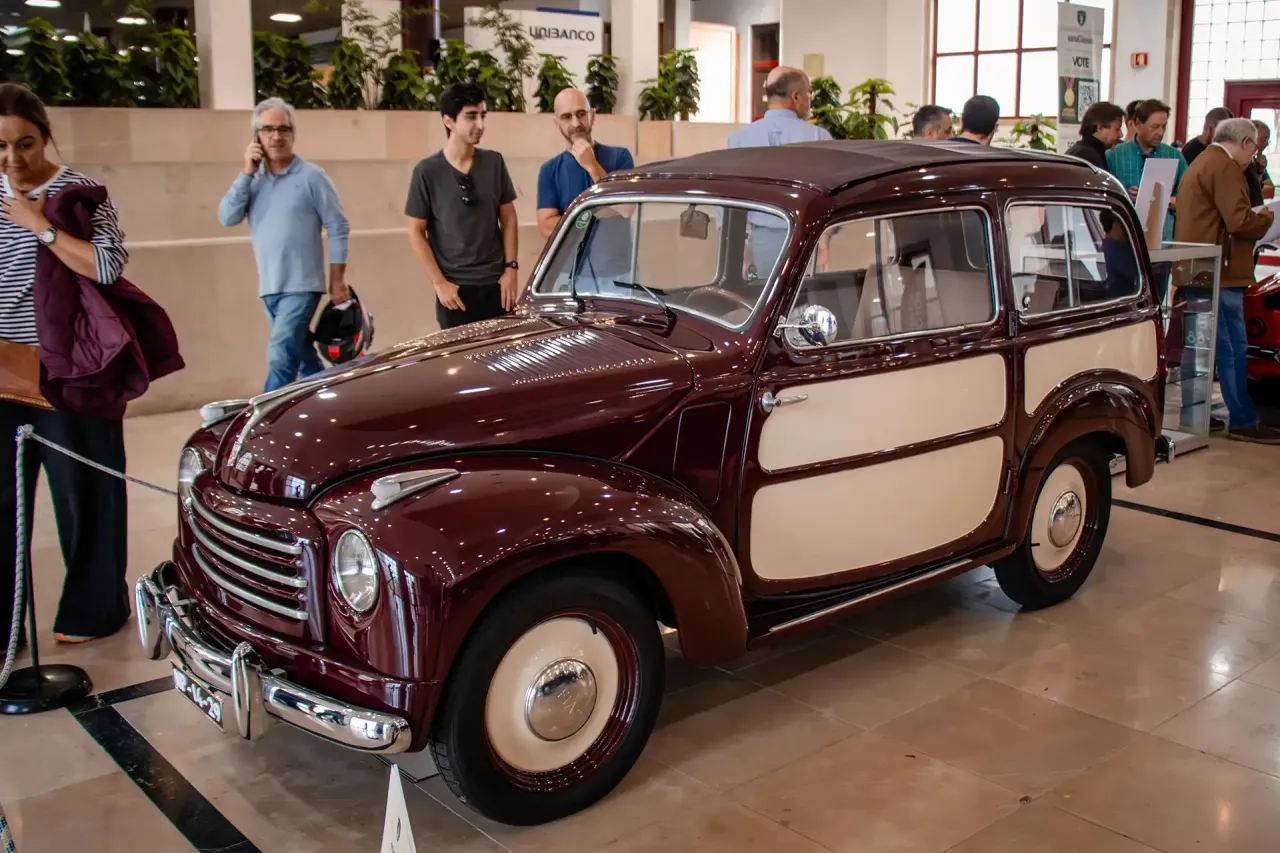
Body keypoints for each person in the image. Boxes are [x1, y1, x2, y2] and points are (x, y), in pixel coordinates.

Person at [0, 83, 131, 646]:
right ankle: (6, 627)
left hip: (69, 368)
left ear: (46, 135)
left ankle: (92, 611)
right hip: (2, 369)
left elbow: (107, 264)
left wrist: (40, 225)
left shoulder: (79, 192)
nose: (12, 158)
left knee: (85, 493)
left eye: (24, 144)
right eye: (0, 147)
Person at [218, 97, 350, 393]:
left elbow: (338, 226)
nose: (276, 136)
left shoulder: (312, 177)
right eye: (267, 130)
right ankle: (330, 399)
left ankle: (262, 414)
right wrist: (247, 172)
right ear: (256, 137)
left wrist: (337, 279)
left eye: (283, 129)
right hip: (269, 287)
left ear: (293, 134)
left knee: (280, 356)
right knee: (303, 359)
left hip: (302, 286)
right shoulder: (252, 181)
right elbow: (227, 217)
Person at [1174, 117, 1280, 444]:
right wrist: (1268, 217)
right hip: (1220, 271)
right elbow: (1239, 221)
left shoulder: (1202, 161)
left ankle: (1195, 413)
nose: (1253, 157)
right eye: (1254, 149)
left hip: (1196, 267)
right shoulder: (1226, 167)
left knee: (1199, 345)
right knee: (1231, 346)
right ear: (1245, 143)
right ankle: (1243, 420)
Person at [406, 83, 519, 330]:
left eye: (482, 115)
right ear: (448, 121)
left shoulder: (494, 162)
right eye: (471, 116)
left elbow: (509, 218)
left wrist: (511, 269)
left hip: (497, 285)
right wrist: (439, 283)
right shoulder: (427, 171)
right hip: (456, 291)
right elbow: (415, 232)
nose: (480, 124)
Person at [726, 66, 832, 276]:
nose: (809, 100)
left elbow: (727, 201)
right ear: (796, 96)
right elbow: (829, 196)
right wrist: (825, 241)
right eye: (809, 93)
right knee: (804, 295)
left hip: (757, 243)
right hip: (807, 242)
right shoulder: (819, 138)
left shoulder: (738, 139)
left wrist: (739, 251)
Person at [536, 88, 633, 241]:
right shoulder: (549, 170)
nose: (576, 123)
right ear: (557, 124)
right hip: (572, 258)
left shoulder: (620, 157)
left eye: (581, 114)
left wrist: (592, 166)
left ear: (592, 116)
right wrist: (589, 220)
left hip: (615, 257)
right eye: (567, 117)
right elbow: (546, 226)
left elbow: (625, 209)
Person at [1107, 99, 1187, 242]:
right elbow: (1104, 197)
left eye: (1163, 127)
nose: (1160, 132)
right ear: (1138, 124)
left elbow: (1189, 200)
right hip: (1125, 237)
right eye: (1154, 127)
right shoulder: (1114, 156)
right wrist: (1125, 196)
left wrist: (1162, 199)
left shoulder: (1175, 156)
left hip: (1163, 239)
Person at [1065, 101, 1126, 170]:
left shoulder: (1078, 151)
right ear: (1100, 128)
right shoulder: (1087, 156)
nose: (1120, 134)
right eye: (1117, 129)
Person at [1247, 119, 1275, 205]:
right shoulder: (1237, 162)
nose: (1266, 144)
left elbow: (1270, 190)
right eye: (1264, 139)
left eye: (1268, 140)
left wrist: (1260, 170)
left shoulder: (1257, 163)